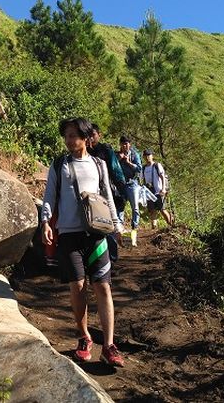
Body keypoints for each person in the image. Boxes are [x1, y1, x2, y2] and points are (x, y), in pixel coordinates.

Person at [41, 117, 125, 367]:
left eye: (73, 135)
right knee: (78, 285)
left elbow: (108, 197)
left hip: (97, 234)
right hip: (68, 233)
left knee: (103, 287)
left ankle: (109, 345)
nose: (68, 140)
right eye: (66, 136)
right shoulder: (59, 165)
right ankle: (84, 337)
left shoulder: (99, 165)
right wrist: (45, 221)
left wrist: (117, 226)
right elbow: (49, 195)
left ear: (86, 138)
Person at [88, 124, 128, 259]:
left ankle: (111, 258)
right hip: (90, 195)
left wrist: (122, 190)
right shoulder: (83, 151)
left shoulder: (105, 150)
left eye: (93, 134)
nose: (91, 138)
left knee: (108, 225)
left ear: (99, 134)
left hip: (107, 192)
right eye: (88, 135)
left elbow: (116, 171)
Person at [117, 136, 142, 245]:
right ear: (120, 144)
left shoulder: (134, 154)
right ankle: (121, 231)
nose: (125, 146)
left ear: (129, 145)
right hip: (120, 184)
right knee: (120, 208)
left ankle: (134, 228)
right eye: (123, 144)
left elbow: (139, 168)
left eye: (127, 144)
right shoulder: (117, 155)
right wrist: (118, 159)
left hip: (132, 184)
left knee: (135, 207)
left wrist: (128, 162)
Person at [141, 149, 173, 228]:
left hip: (159, 191)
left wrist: (163, 189)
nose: (147, 157)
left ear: (152, 156)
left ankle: (171, 225)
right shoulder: (143, 168)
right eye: (145, 156)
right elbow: (142, 179)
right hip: (149, 192)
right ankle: (153, 227)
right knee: (152, 210)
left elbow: (162, 177)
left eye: (149, 155)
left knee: (162, 209)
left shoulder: (157, 165)